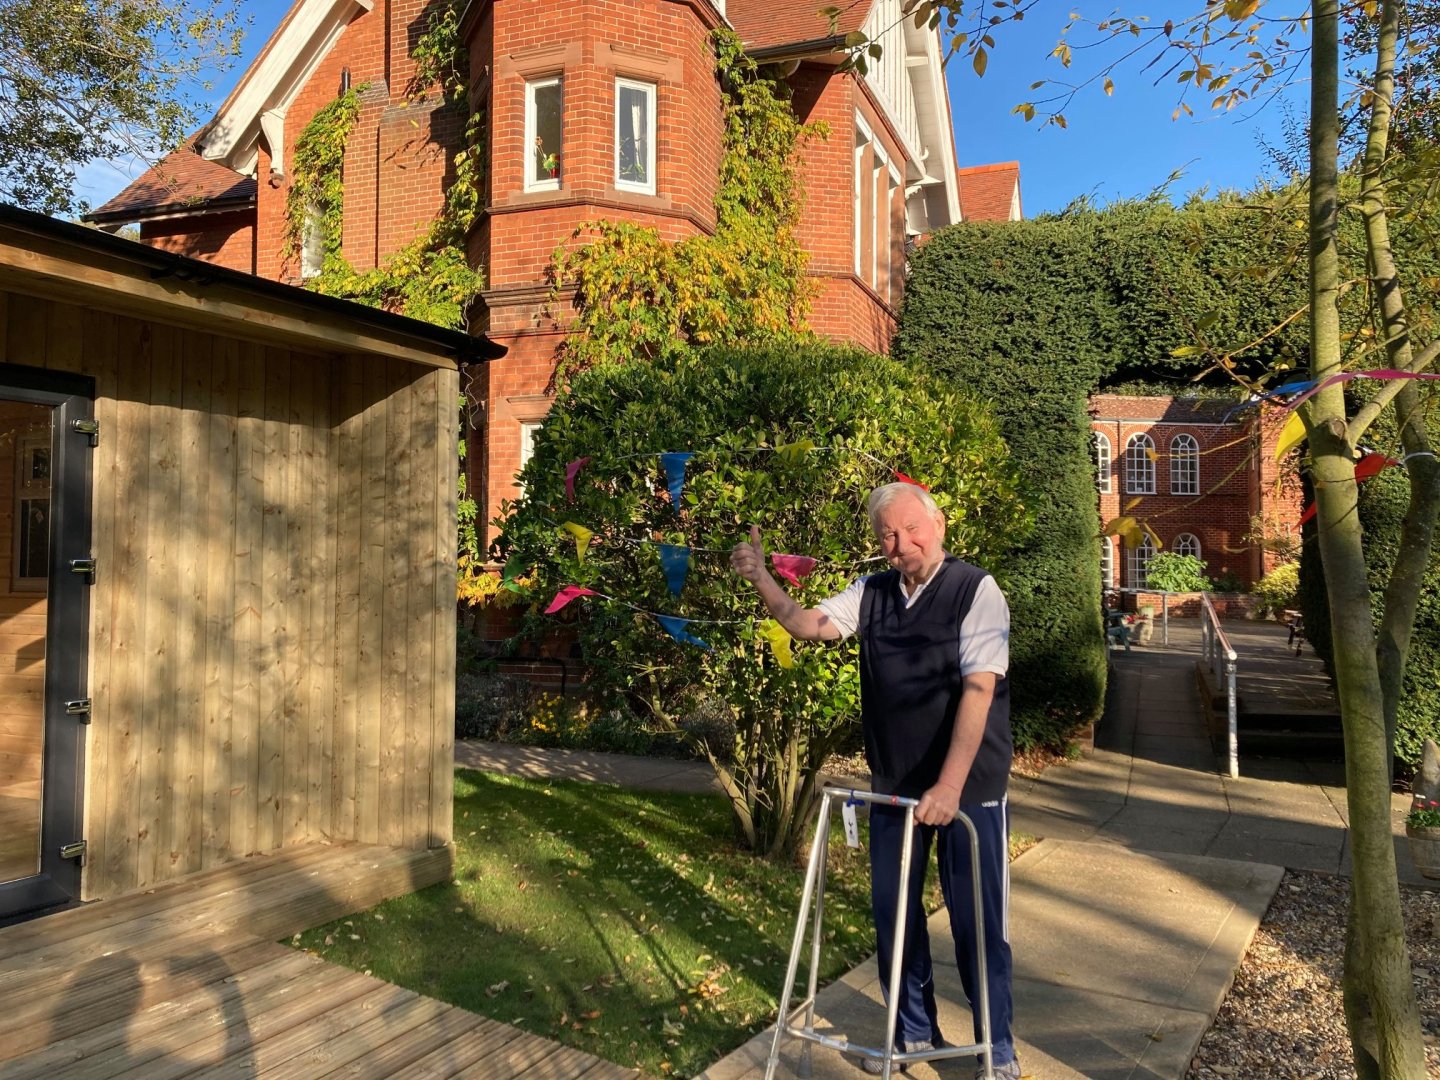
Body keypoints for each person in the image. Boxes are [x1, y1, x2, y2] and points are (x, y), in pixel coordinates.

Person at [730, 482, 1019, 1080]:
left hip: (969, 791)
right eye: (887, 534)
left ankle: (997, 1050)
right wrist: (761, 577)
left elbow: (979, 690)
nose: (901, 543)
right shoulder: (874, 593)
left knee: (976, 924)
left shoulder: (977, 591)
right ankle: (914, 1033)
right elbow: (807, 624)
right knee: (894, 916)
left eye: (911, 529)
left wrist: (949, 786)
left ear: (937, 525)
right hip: (896, 783)